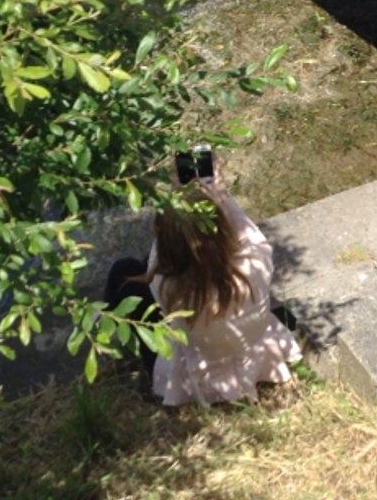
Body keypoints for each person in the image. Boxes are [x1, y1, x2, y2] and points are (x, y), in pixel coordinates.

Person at [106, 157, 302, 407]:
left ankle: (115, 337)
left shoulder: (165, 285)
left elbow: (159, 258)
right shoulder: (257, 259)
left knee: (124, 270)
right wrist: (220, 195)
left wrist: (177, 193)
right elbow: (247, 231)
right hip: (247, 350)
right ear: (222, 228)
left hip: (202, 368)